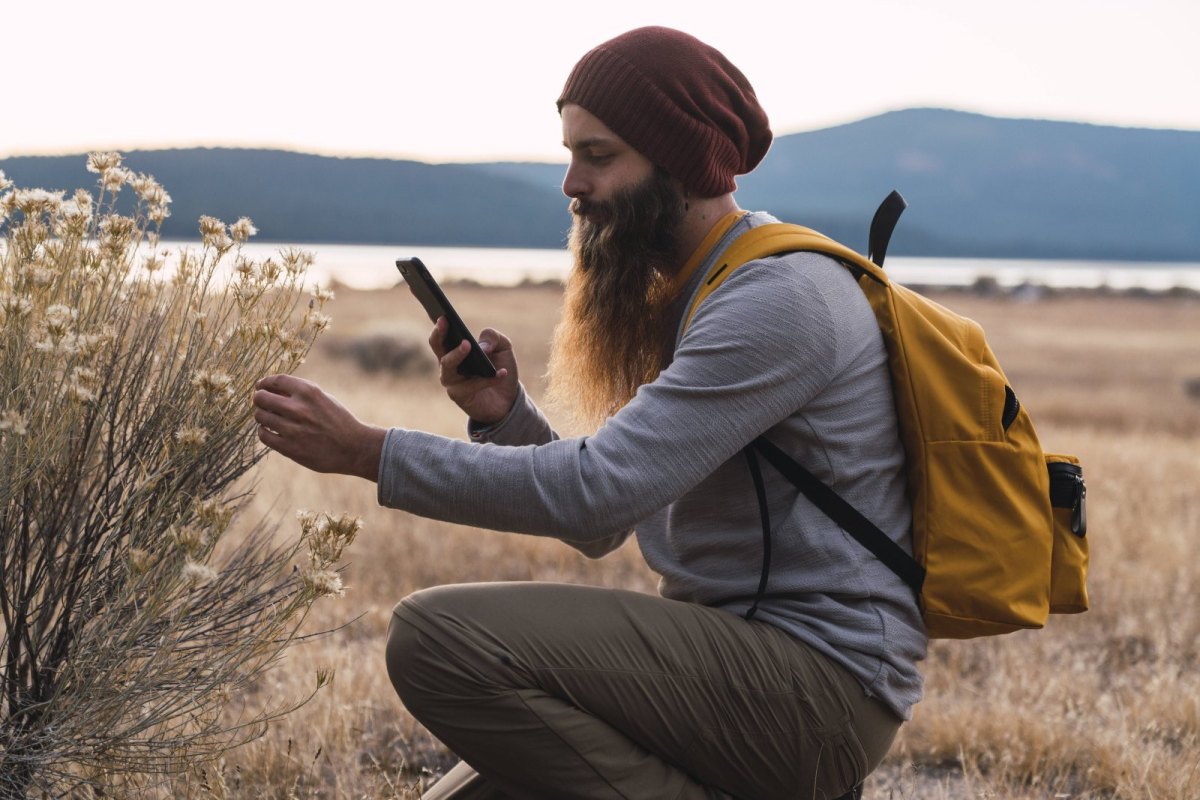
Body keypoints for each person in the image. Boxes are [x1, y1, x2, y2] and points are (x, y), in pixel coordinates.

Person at [252, 25, 926, 800]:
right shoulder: (703, 290)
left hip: (815, 696)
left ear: (680, 162)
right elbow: (606, 522)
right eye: (570, 153)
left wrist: (370, 451)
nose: (572, 184)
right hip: (743, 669)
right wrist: (506, 417)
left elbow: (594, 493)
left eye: (599, 156)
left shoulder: (776, 299)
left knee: (436, 640)